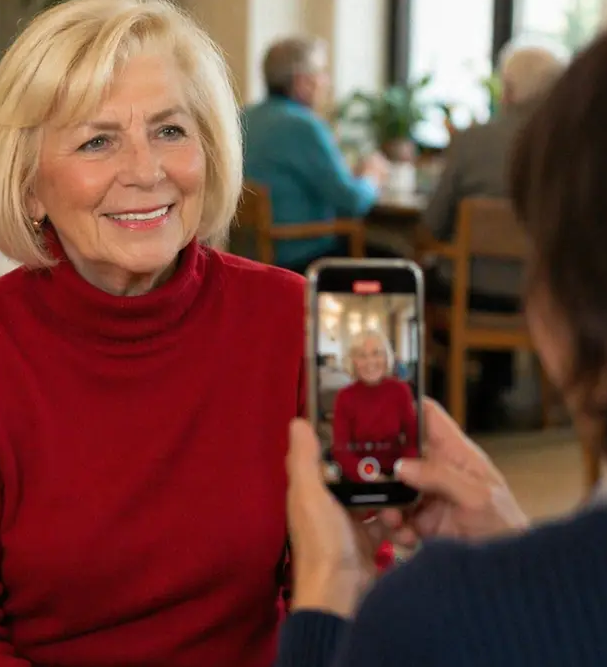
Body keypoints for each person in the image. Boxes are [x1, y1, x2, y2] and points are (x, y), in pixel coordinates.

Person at [269, 0, 607, 667]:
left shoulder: (442, 627)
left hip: (457, 292)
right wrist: (520, 545)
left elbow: (426, 220)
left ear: (559, 305)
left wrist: (330, 586)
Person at [0, 0, 306, 667]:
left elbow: (331, 599)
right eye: (97, 140)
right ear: (28, 187)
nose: (146, 170)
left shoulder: (288, 319)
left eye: (171, 131)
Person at [423, 41, 568, 431]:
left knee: (429, 270)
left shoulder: (473, 141)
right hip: (542, 292)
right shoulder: (572, 147)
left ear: (507, 89)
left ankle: (453, 390)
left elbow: (432, 225)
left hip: (472, 289)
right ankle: (498, 389)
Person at [243, 36, 394, 273]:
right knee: (399, 263)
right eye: (322, 72)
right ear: (303, 82)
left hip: (250, 255)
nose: (327, 82)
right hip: (302, 258)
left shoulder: (245, 117)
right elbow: (352, 202)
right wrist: (372, 177)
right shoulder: (304, 125)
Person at [331, 330, 418, 483]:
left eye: (376, 353)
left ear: (386, 358)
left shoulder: (400, 391)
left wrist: (402, 472)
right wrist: (371, 476)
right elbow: (341, 450)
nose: (370, 361)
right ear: (353, 361)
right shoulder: (344, 396)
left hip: (397, 475)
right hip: (357, 475)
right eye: (362, 356)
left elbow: (413, 440)